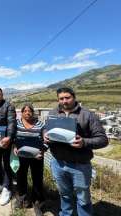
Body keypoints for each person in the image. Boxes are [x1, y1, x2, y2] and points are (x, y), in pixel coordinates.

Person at [44, 87, 108, 216]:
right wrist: (44, 134)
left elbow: (103, 139)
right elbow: (46, 128)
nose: (64, 101)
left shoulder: (87, 115)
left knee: (83, 198)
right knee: (64, 195)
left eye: (67, 97)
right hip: (58, 163)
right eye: (61, 98)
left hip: (80, 165)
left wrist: (84, 142)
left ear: (74, 97)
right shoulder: (53, 113)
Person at [13, 104, 47, 216]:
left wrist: (42, 151)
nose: (27, 113)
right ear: (22, 113)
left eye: (30, 111)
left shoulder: (40, 125)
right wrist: (14, 147)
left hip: (36, 157)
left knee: (37, 179)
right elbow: (13, 138)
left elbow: (47, 140)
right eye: (25, 111)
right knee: (21, 177)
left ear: (33, 113)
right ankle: (21, 199)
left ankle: (37, 203)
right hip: (21, 157)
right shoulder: (17, 124)